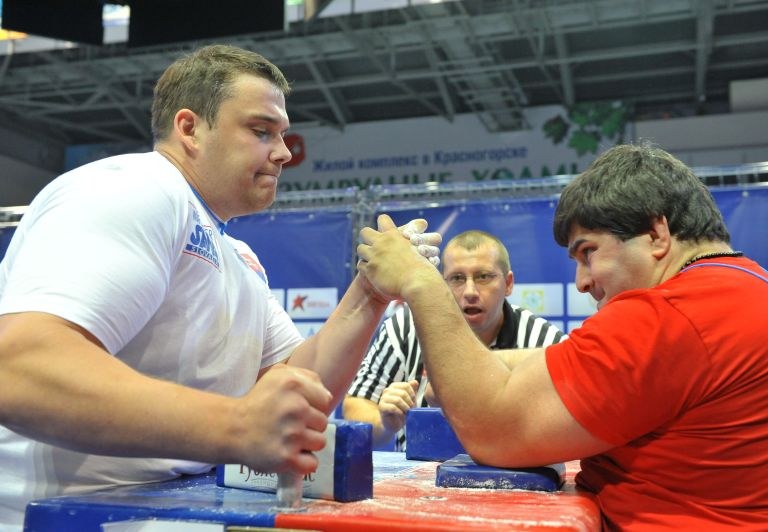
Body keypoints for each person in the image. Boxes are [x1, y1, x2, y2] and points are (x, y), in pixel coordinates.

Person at [0, 44, 439, 530]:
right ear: (189, 128)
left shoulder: (237, 255)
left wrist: (370, 292)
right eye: (260, 131)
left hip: (165, 514)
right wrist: (234, 426)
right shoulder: (134, 189)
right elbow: (18, 368)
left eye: (283, 134)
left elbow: (299, 385)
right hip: (57, 518)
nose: (283, 152)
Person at [355, 143, 768, 530]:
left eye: (588, 253)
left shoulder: (673, 314)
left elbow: (494, 433)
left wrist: (420, 282)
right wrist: (483, 364)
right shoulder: (737, 287)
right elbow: (568, 359)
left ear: (656, 233)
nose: (582, 282)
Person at [343, 230, 565, 450]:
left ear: (508, 284)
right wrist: (386, 423)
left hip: (517, 477)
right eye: (457, 278)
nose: (470, 291)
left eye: (483, 277)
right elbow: (357, 405)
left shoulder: (544, 340)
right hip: (419, 479)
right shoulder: (403, 329)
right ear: (442, 284)